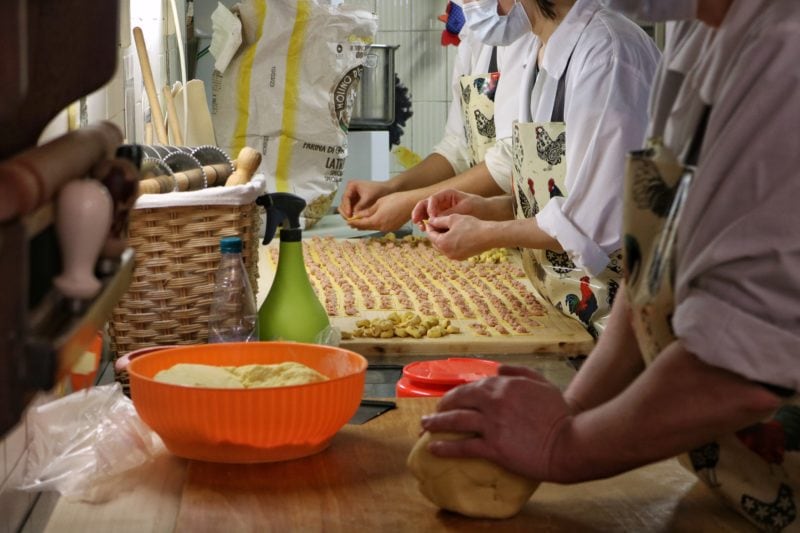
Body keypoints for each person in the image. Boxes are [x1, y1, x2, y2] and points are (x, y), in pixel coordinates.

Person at [419, 0, 800, 530]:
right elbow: (652, 257)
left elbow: (744, 365)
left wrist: (563, 447)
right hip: (734, 479)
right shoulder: (701, 39)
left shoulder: (784, 50)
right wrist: (569, 411)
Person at [413, 0, 660, 334]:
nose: (474, 6)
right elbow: (558, 190)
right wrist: (488, 209)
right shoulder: (543, 51)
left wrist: (488, 234)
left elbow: (596, 220)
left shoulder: (606, 53)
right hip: (568, 309)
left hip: (624, 323)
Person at [338, 0, 536, 233]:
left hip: (525, 233)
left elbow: (511, 161)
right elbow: (457, 149)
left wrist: (411, 202)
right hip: (486, 239)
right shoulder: (473, 37)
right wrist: (392, 188)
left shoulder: (529, 37)